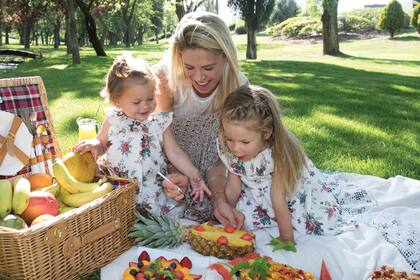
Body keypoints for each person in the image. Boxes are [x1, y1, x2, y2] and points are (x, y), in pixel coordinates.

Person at [217, 85, 375, 242]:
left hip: (289, 195)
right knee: (245, 219)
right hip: (258, 192)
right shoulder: (232, 148)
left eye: (244, 142)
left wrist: (286, 238)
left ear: (266, 133)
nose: (235, 148)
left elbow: (277, 197)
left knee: (314, 223)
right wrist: (226, 212)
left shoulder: (278, 155)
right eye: (230, 139)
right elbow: (233, 187)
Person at [72, 54, 211, 215]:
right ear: (117, 100)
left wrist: (194, 174)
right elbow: (102, 143)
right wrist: (95, 145)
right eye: (137, 102)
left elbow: (175, 152)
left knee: (167, 219)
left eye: (150, 98)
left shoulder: (159, 123)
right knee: (120, 223)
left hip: (153, 192)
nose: (145, 106)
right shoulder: (113, 120)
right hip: (121, 192)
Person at [154, 11, 248, 223]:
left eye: (208, 67)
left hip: (211, 168)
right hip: (168, 159)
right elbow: (163, 140)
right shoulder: (164, 78)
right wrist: (175, 172)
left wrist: (219, 199)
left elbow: (221, 156)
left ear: (226, 57)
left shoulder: (237, 88)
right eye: (189, 67)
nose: (199, 77)